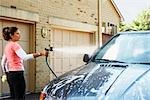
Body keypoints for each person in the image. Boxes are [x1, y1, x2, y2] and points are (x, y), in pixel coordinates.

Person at [1, 27, 48, 100]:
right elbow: (24, 57)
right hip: (17, 74)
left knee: (13, 96)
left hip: (10, 74)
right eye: (17, 33)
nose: (19, 35)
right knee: (20, 96)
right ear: (11, 35)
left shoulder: (7, 46)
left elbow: (3, 62)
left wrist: (6, 73)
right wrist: (41, 53)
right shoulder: (15, 45)